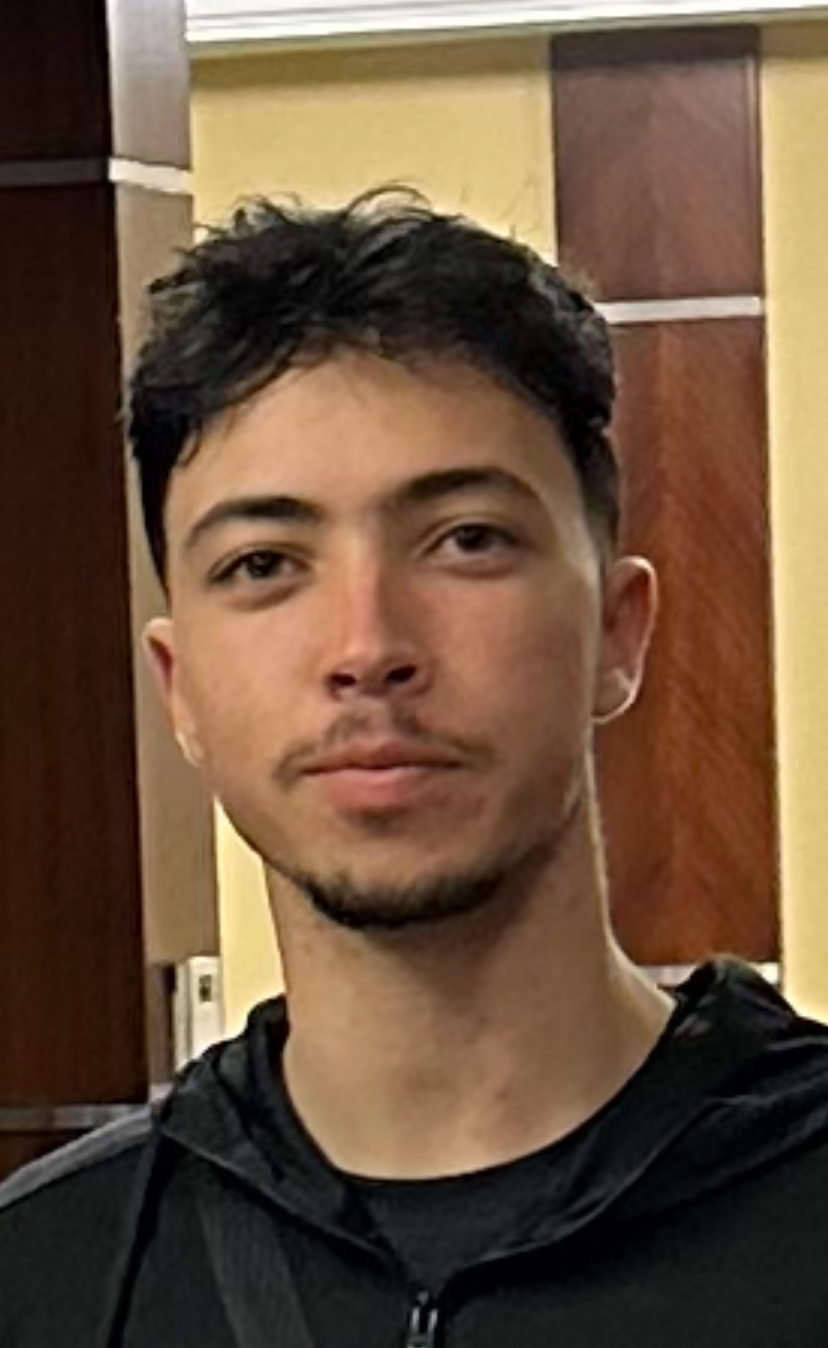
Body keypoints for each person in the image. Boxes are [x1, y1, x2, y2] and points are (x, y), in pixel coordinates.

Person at [2, 190, 828, 1348]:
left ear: (617, 631)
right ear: (179, 688)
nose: (367, 646)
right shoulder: (55, 1278)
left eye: (466, 540)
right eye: (263, 564)